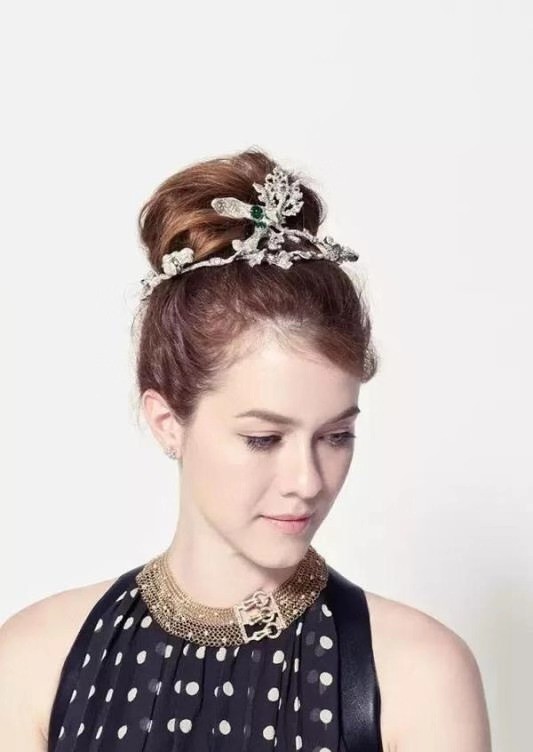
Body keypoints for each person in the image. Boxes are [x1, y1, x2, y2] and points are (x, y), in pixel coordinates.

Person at [0, 147, 492, 751]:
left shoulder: (418, 676)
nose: (307, 481)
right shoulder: (36, 664)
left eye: (336, 436)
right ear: (167, 422)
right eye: (264, 438)